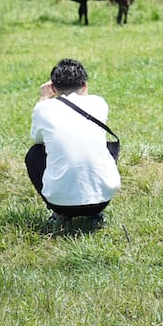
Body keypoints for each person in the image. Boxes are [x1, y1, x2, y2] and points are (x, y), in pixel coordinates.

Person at [26, 57, 120, 231]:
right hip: (102, 199)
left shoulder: (43, 108)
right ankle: (95, 215)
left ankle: (59, 215)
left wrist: (43, 98)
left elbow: (37, 140)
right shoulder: (99, 103)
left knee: (34, 154)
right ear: (84, 85)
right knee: (103, 146)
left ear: (53, 87)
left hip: (60, 203)